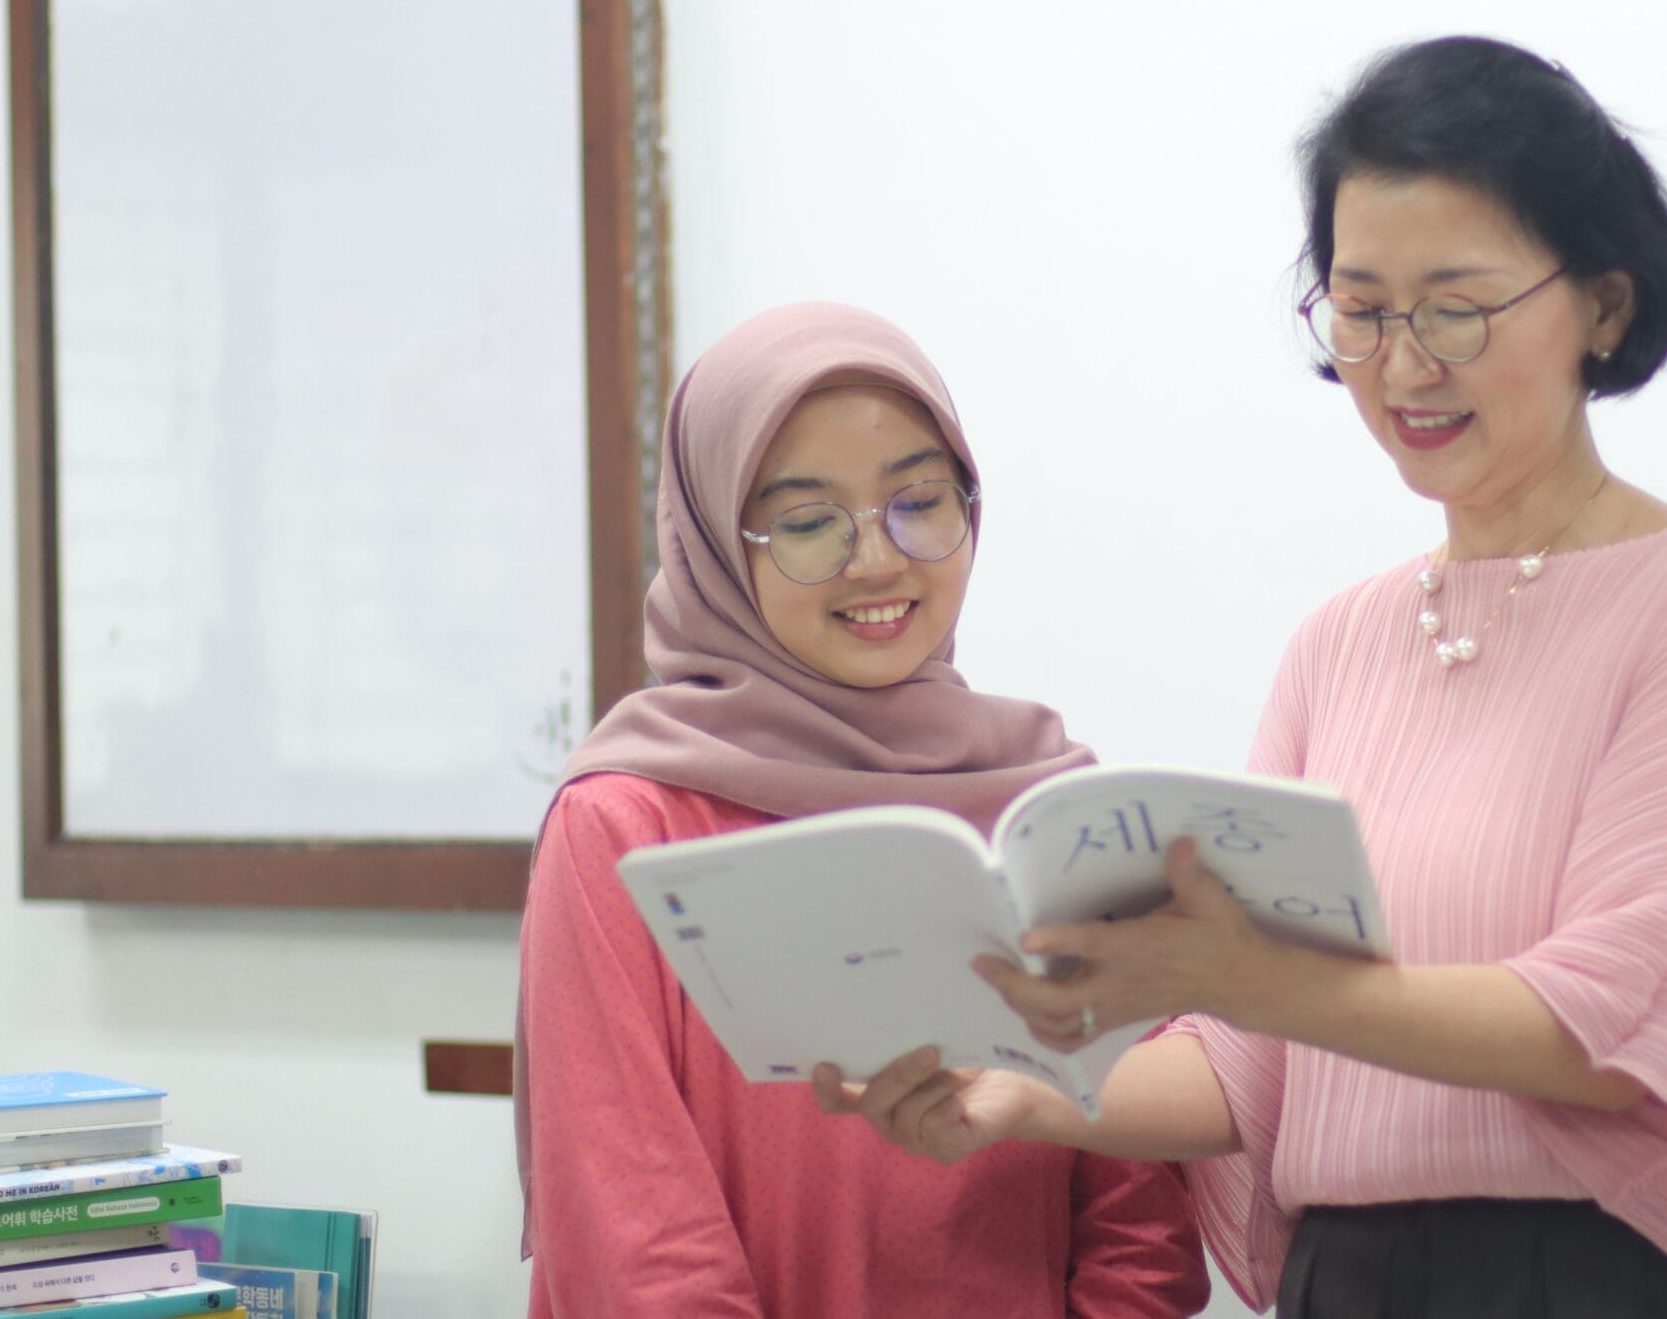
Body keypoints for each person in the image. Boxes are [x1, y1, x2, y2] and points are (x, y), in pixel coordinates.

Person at [822, 38, 1667, 1317]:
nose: (1403, 365)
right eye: (1363, 308)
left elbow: (1612, 1023)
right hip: (1360, 1281)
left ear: (1603, 305)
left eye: (1455, 308)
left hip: (1621, 1282)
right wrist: (1024, 1093)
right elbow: (1249, 1062)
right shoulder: (1338, 642)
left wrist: (1254, 978)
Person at [515, 302, 1209, 1317]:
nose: (878, 559)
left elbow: (1142, 1229)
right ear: (716, 547)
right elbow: (634, 1243)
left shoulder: (1055, 817)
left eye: (919, 501)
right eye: (807, 523)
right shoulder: (623, 825)